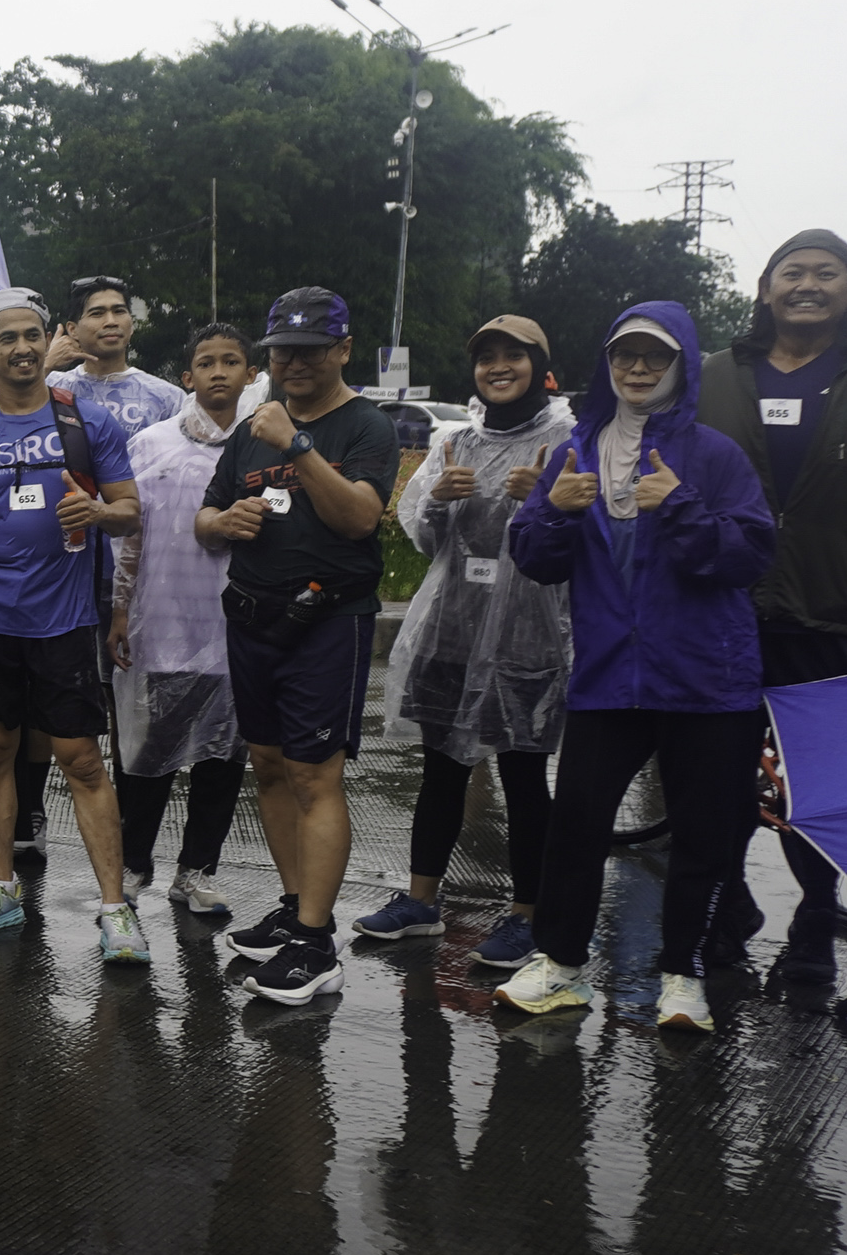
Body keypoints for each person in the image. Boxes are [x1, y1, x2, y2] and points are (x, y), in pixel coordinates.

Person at [502, 305, 776, 1032]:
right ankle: (561, 965)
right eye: (625, 355)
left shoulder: (714, 455)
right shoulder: (576, 451)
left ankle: (683, 976)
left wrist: (680, 505)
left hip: (707, 681)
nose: (639, 369)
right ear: (608, 363)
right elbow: (533, 557)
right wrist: (554, 510)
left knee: (703, 837)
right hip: (608, 677)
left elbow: (750, 555)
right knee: (576, 826)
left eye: (656, 356)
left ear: (682, 365)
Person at [694, 228, 847, 976]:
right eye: (792, 272)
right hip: (719, 607)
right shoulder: (714, 374)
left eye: (827, 273)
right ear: (765, 290)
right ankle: (725, 905)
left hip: (828, 609)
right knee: (717, 774)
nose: (808, 285)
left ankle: (816, 918)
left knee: (817, 783)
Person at [0, 291, 146, 949]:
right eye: (7, 338)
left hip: (64, 622)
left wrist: (97, 513)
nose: (21, 348)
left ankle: (115, 911)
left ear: (47, 341)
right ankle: (0, 890)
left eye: (31, 335)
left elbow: (130, 511)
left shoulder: (87, 424)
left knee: (83, 761)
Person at [197, 288, 401, 1005]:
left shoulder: (365, 426)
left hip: (327, 622)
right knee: (269, 766)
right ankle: (294, 907)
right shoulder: (252, 428)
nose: (295, 363)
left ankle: (316, 943)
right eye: (283, 351)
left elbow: (360, 518)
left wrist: (298, 445)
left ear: (343, 350)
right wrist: (224, 522)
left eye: (312, 350)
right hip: (254, 618)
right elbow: (204, 516)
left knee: (316, 776)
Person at [353, 318, 575, 966]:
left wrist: (546, 502)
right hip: (450, 628)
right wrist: (438, 502)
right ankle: (421, 902)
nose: (498, 367)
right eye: (487, 357)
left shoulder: (568, 441)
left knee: (524, 778)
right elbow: (428, 541)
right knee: (442, 771)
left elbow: (584, 541)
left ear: (540, 366)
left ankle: (527, 915)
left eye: (514, 356)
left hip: (530, 637)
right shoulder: (457, 441)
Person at [109, 323, 255, 916]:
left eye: (231, 361)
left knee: (222, 758)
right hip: (162, 625)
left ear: (249, 374)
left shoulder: (264, 444)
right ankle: (132, 866)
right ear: (187, 377)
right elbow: (129, 535)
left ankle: (196, 871)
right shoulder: (151, 444)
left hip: (236, 628)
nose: (219, 372)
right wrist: (120, 609)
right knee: (147, 759)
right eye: (207, 362)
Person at [45, 277, 186, 439]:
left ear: (131, 325)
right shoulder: (50, 386)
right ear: (72, 329)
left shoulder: (168, 398)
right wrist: (46, 365)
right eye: (97, 313)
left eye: (119, 311)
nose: (111, 322)